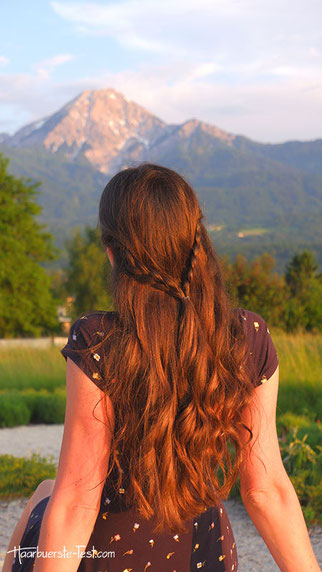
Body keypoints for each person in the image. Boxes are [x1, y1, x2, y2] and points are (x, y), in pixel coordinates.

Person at [4, 163, 320, 572]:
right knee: (47, 491)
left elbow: (78, 501)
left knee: (47, 494)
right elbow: (266, 491)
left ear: (113, 252)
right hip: (205, 556)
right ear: (197, 243)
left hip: (111, 558)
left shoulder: (98, 340)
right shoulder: (248, 336)